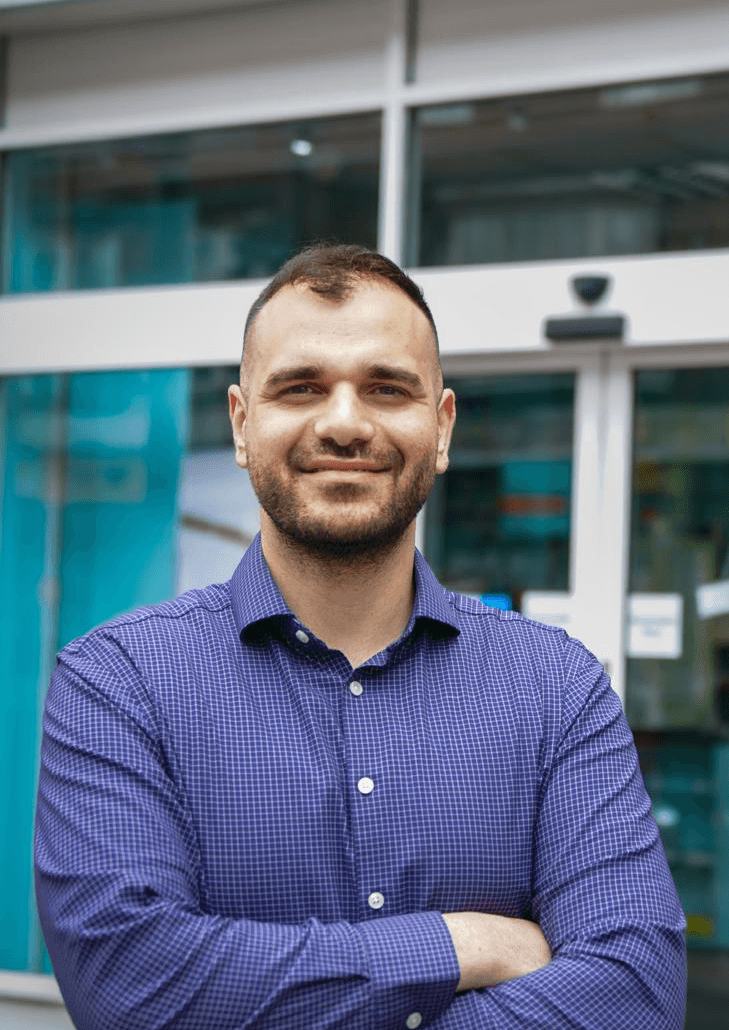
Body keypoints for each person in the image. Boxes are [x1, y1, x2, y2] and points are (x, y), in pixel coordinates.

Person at [34, 244, 687, 1030]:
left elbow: (634, 997)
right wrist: (459, 946)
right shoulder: (118, 683)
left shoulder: (556, 687)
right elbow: (133, 990)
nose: (344, 423)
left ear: (441, 427)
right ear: (243, 424)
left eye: (386, 388)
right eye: (301, 387)